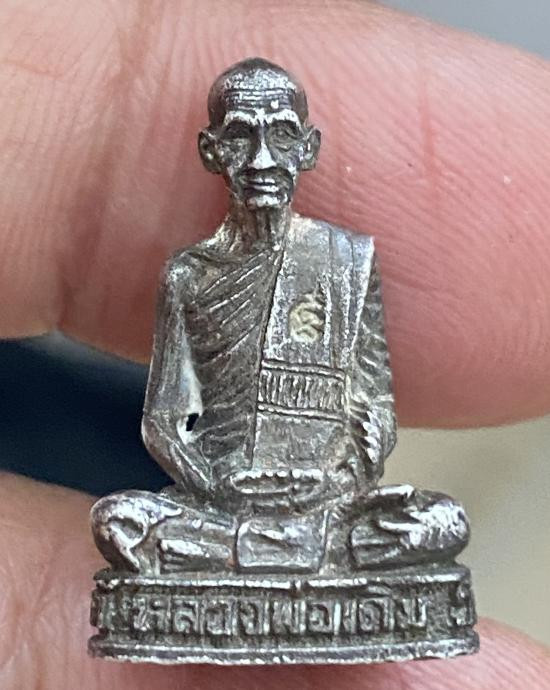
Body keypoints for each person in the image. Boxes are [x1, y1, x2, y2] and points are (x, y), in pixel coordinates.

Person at [1, 1, 550, 688]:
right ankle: (280, 566)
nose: (261, 159)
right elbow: (165, 421)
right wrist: (220, 485)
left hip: (327, 507)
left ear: (307, 149)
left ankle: (274, 565)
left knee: (439, 522)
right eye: (240, 138)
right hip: (222, 508)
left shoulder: (345, 261)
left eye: (281, 135)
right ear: (212, 152)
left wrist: (337, 477)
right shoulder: (191, 275)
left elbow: (373, 405)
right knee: (121, 523)